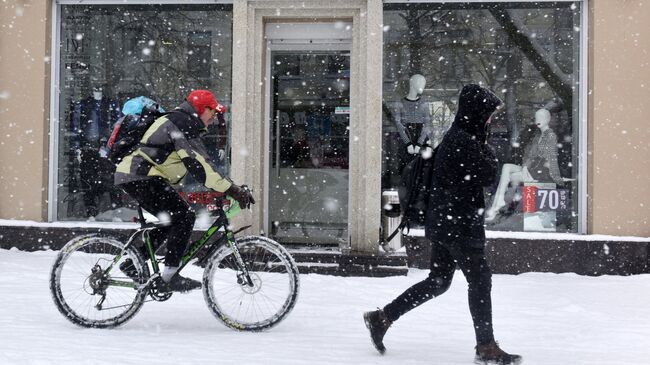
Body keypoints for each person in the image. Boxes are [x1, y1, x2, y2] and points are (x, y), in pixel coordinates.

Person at [364, 84, 522, 365]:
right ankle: (485, 346)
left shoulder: (459, 137)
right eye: (487, 114)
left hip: (446, 224)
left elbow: (481, 173)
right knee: (480, 280)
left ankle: (382, 317)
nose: (490, 120)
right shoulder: (463, 141)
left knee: (438, 282)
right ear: (475, 113)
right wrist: (489, 152)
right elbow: (488, 173)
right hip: (458, 225)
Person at [114, 90, 254, 292]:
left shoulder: (185, 123)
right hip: (139, 176)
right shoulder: (181, 123)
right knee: (184, 216)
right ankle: (170, 277)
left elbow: (204, 164)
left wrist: (230, 187)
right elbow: (200, 166)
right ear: (202, 108)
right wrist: (232, 189)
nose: (215, 117)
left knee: (173, 219)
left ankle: (134, 262)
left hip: (138, 176)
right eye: (213, 112)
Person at [485, 108, 565, 221]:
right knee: (506, 166)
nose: (538, 120)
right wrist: (526, 166)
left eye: (541, 117)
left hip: (540, 171)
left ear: (548, 119)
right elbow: (530, 156)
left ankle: (497, 205)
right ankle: (498, 202)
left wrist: (557, 178)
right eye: (537, 117)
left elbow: (551, 158)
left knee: (511, 176)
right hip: (531, 168)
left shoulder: (550, 136)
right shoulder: (538, 135)